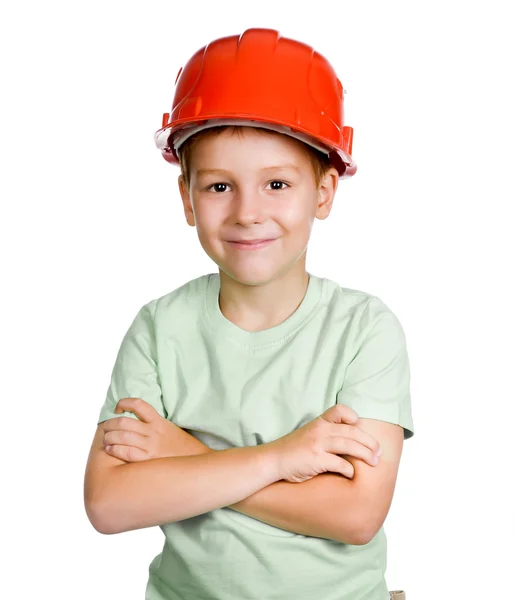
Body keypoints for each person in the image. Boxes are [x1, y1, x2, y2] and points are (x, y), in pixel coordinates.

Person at [84, 27, 414, 600]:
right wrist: (284, 459)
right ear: (186, 198)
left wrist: (185, 456)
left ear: (324, 193)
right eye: (218, 186)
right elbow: (110, 504)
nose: (247, 212)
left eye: (277, 183)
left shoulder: (365, 329)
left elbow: (355, 515)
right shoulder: (160, 328)